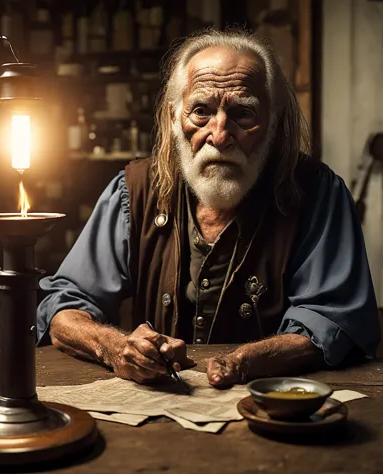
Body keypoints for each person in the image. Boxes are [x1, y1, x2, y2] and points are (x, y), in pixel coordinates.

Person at [37, 28, 380, 388]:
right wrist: (118, 347)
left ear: (275, 122)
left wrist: (244, 362)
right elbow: (64, 306)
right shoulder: (133, 190)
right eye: (201, 111)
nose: (219, 135)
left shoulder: (318, 193)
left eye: (243, 113)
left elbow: (336, 322)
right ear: (174, 118)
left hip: (271, 408)